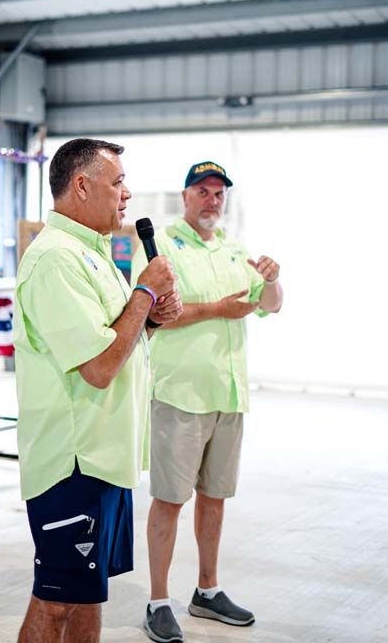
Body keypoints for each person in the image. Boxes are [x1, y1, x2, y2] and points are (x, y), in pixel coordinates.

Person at [13, 138, 182, 643]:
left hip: (104, 459)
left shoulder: (92, 253)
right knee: (57, 599)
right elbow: (99, 368)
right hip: (73, 464)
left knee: (88, 593)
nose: (127, 194)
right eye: (118, 182)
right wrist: (144, 294)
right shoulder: (55, 261)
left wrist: (147, 321)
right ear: (82, 185)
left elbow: (114, 338)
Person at [132, 160, 283, 643]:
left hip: (229, 394)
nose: (212, 200)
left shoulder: (235, 249)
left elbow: (271, 304)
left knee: (214, 499)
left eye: (219, 194)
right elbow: (157, 315)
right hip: (180, 395)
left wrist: (274, 279)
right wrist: (218, 309)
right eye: (203, 191)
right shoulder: (163, 248)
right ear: (185, 196)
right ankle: (158, 599)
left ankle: (207, 590)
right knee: (170, 500)